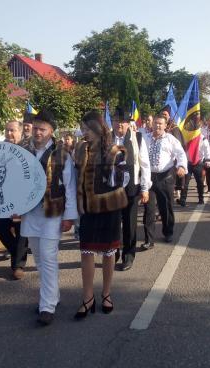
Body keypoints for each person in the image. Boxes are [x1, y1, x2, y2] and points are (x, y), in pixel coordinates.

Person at [20, 110, 77, 326]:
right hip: (30, 213)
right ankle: (51, 296)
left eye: (42, 129)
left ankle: (47, 307)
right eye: (35, 128)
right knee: (40, 260)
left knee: (49, 258)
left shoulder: (61, 154)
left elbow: (70, 186)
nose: (37, 132)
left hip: (53, 213)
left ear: (51, 131)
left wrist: (70, 216)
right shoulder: (24, 150)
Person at [74, 111, 129, 319]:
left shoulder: (115, 150)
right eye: (82, 129)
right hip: (88, 208)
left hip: (109, 208)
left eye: (86, 129)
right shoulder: (80, 149)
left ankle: (106, 293)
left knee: (109, 253)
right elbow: (73, 178)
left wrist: (112, 170)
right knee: (86, 252)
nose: (83, 133)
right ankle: (87, 297)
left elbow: (125, 179)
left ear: (97, 129)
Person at [111, 108, 151, 271]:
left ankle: (128, 255)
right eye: (116, 121)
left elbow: (145, 165)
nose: (119, 124)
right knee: (112, 223)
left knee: (129, 223)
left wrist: (145, 188)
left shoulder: (138, 138)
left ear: (128, 124)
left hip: (131, 187)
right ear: (112, 122)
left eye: (123, 121)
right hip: (111, 188)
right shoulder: (106, 139)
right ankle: (112, 253)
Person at [142, 114, 188, 247]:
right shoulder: (145, 138)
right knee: (149, 210)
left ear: (165, 125)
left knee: (165, 208)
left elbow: (180, 154)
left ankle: (168, 232)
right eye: (155, 123)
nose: (157, 126)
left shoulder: (170, 139)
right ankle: (149, 240)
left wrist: (181, 166)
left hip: (165, 177)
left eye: (160, 124)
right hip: (149, 177)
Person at [0, 120, 29, 280]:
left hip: (22, 197)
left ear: (20, 132)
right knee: (0, 227)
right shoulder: (0, 148)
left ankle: (18, 265)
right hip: (4, 197)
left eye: (12, 130)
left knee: (21, 231)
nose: (9, 134)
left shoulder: (29, 149)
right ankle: (17, 252)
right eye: (7, 130)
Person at [177, 112, 210, 206]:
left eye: (196, 127)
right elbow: (181, 149)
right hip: (187, 162)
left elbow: (207, 150)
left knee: (200, 182)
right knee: (185, 183)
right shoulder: (186, 137)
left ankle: (201, 199)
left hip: (198, 162)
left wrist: (208, 159)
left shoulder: (203, 138)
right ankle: (183, 200)